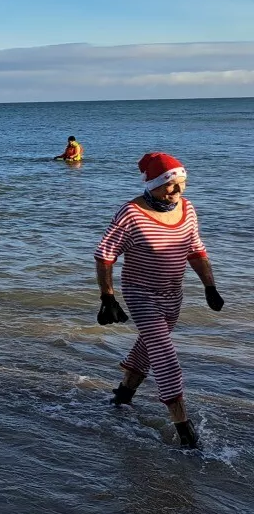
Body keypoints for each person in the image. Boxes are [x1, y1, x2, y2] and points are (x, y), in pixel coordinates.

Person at [95, 152, 224, 449]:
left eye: (182, 184)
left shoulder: (187, 209)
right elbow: (105, 254)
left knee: (149, 345)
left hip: (172, 294)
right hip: (140, 293)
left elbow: (195, 248)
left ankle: (122, 397)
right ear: (152, 183)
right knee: (165, 354)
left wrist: (210, 286)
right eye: (170, 185)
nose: (177, 191)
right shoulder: (131, 214)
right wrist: (108, 297)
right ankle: (184, 430)